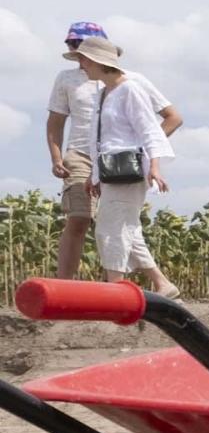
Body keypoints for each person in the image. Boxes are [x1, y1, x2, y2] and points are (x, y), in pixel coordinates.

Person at [45, 21, 181, 279]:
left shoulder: (132, 83)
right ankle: (67, 285)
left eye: (80, 48)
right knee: (82, 217)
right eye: (72, 46)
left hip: (121, 161)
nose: (77, 55)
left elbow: (166, 120)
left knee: (114, 223)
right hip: (85, 157)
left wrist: (142, 154)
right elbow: (56, 122)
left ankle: (122, 286)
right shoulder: (70, 80)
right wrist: (59, 158)